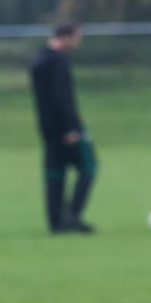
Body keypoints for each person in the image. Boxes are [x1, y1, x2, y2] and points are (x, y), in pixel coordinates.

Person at [29, 20, 97, 234]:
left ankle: (55, 221)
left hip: (47, 128)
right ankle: (73, 216)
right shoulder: (58, 61)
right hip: (66, 128)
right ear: (66, 36)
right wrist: (71, 128)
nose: (79, 41)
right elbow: (61, 98)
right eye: (77, 37)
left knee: (54, 172)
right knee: (89, 166)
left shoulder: (39, 58)